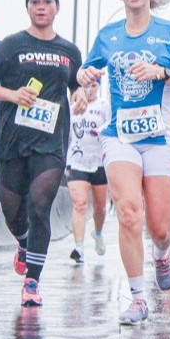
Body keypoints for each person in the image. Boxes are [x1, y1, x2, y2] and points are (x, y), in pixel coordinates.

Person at [78, 0, 170, 325]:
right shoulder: (108, 36)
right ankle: (137, 298)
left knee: (160, 226)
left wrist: (162, 72)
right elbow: (87, 74)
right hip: (121, 136)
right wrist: (83, 75)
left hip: (160, 136)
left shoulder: (168, 33)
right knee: (129, 211)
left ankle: (161, 254)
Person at [0, 0, 82, 307]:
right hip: (11, 139)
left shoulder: (68, 51)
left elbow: (77, 87)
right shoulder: (11, 45)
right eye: (34, 1)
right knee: (13, 213)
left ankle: (32, 282)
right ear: (28, 8)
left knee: (39, 206)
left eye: (47, 1)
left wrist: (79, 99)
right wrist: (13, 95)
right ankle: (24, 243)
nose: (40, 6)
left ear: (56, 8)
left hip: (51, 142)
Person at [67, 80, 109, 263]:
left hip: (99, 161)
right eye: (87, 86)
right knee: (80, 204)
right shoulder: (72, 107)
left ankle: (98, 233)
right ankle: (79, 248)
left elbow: (111, 125)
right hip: (77, 161)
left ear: (98, 87)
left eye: (94, 86)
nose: (90, 90)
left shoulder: (104, 106)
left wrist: (99, 130)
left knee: (99, 207)